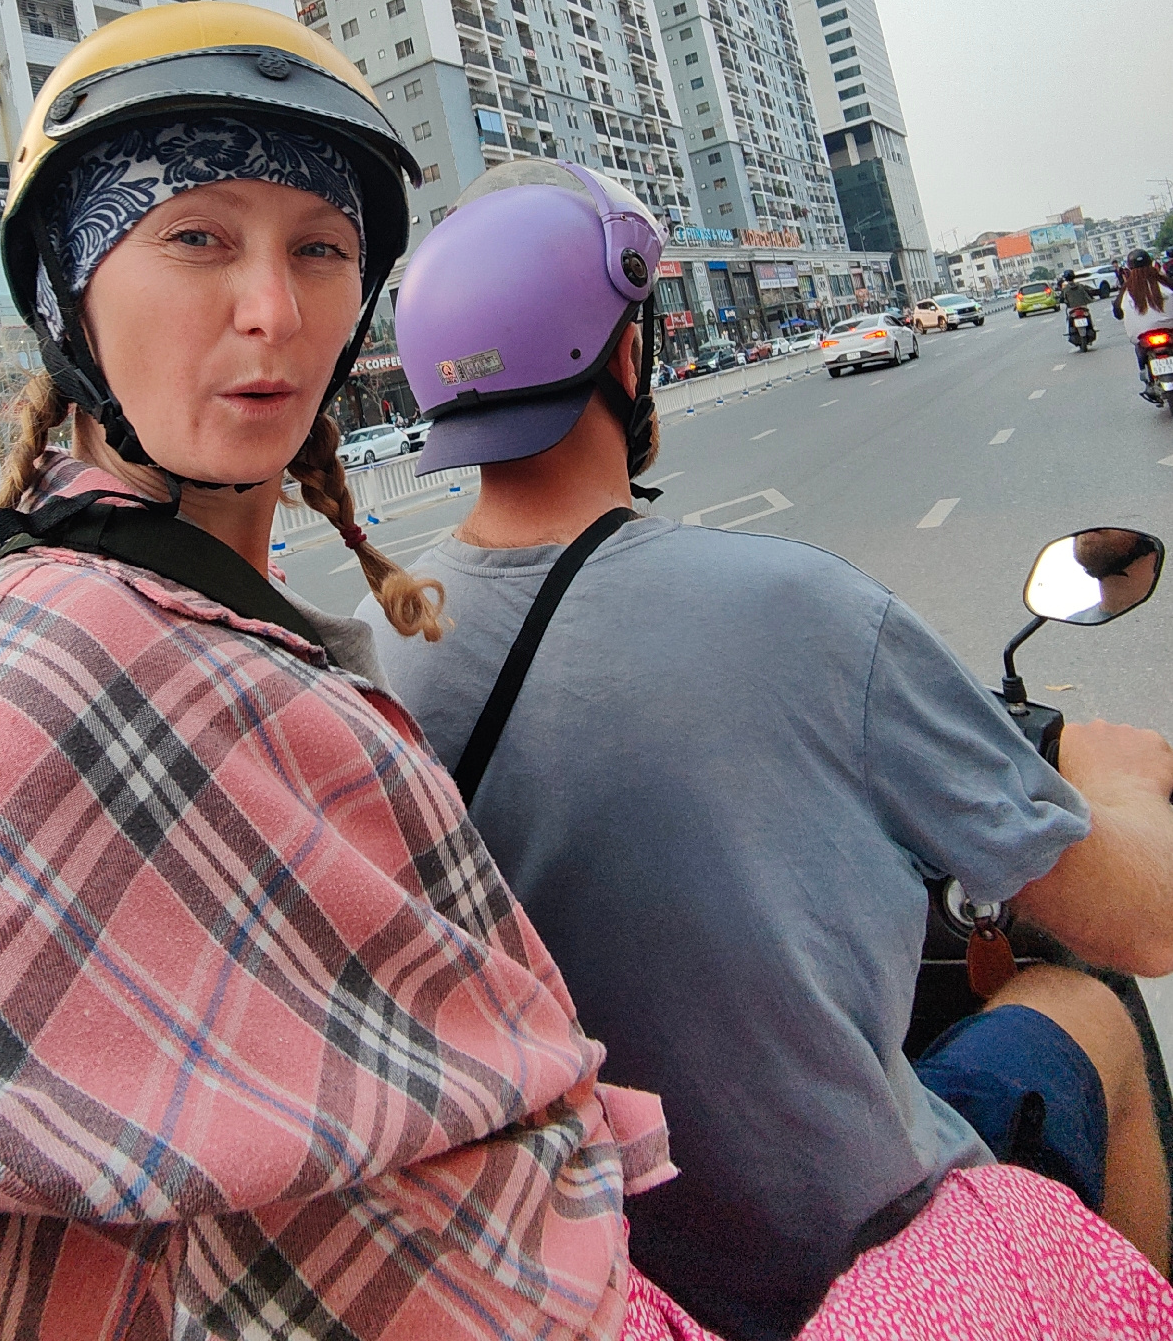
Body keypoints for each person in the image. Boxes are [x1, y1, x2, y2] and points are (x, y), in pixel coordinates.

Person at [0, 7, 673, 1338]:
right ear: (68, 294)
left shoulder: (219, 620)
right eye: (196, 236)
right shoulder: (66, 654)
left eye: (320, 249)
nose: (275, 310)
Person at [361, 160, 1173, 1341]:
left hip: (590, 1276)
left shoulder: (370, 656)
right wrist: (1114, 780)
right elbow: (1142, 920)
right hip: (858, 1266)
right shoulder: (802, 609)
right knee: (1085, 1000)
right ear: (628, 357)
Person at [1113, 249, 1173, 400]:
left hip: (1143, 336)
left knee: (1140, 351)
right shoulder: (1164, 283)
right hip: (1169, 331)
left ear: (1129, 268)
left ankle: (1147, 380)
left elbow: (1117, 313)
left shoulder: (1127, 290)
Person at [1061, 268, 1096, 343]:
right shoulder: (1081, 286)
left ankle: (1069, 332)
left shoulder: (1065, 289)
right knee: (1088, 317)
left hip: (1072, 309)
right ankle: (1092, 328)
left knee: (1069, 319)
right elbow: (1088, 293)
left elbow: (1062, 299)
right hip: (1083, 308)